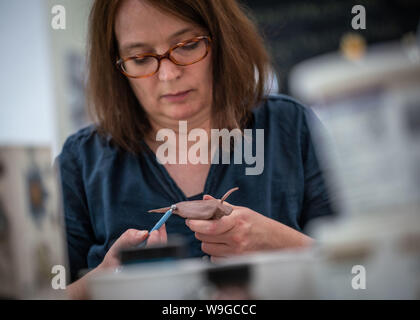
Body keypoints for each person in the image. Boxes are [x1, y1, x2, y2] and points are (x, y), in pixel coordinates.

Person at [57, 0, 335, 299]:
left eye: (187, 45)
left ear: (223, 40)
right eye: (140, 58)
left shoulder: (290, 127)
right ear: (117, 65)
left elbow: (364, 270)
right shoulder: (81, 161)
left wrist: (283, 243)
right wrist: (102, 282)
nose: (168, 75)